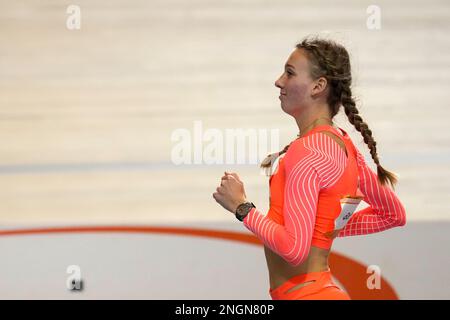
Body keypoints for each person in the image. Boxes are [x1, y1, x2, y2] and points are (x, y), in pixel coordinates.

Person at [212, 36, 406, 300]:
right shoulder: (343, 145)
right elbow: (393, 214)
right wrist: (323, 229)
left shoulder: (307, 152)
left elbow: (293, 250)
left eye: (289, 73)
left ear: (318, 86)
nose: (279, 81)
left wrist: (241, 207)